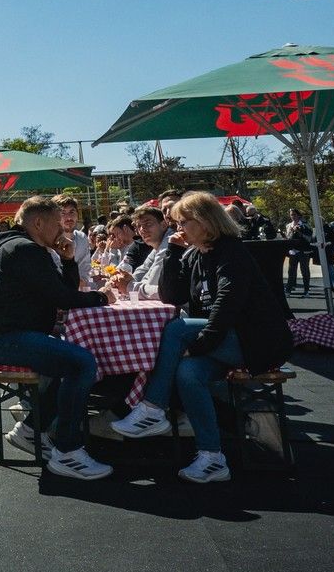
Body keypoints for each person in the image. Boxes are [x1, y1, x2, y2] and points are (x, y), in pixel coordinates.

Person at [111, 192, 295, 483]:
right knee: (187, 373)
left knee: (175, 330)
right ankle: (212, 457)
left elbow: (228, 303)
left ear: (206, 221)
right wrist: (172, 252)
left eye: (183, 221)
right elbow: (173, 296)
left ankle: (153, 408)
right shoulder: (195, 254)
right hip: (224, 341)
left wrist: (199, 344)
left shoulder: (231, 252)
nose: (178, 228)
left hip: (254, 343)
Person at [0, 197, 114, 481]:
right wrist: (101, 297)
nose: (62, 230)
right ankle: (68, 451)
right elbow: (63, 297)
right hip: (3, 341)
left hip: (5, 338)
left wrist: (69, 259)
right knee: (83, 363)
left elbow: (63, 291)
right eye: (57, 223)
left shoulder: (20, 247)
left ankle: (31, 430)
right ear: (38, 223)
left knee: (72, 362)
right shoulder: (25, 250)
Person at [282, 213, 314, 296]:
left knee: (305, 271)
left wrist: (300, 232)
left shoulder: (305, 225)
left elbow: (309, 238)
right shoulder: (289, 225)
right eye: (291, 215)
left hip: (303, 251)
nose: (293, 216)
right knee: (291, 271)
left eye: (294, 215)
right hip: (293, 251)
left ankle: (306, 290)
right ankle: (288, 290)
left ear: (299, 216)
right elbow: (288, 237)